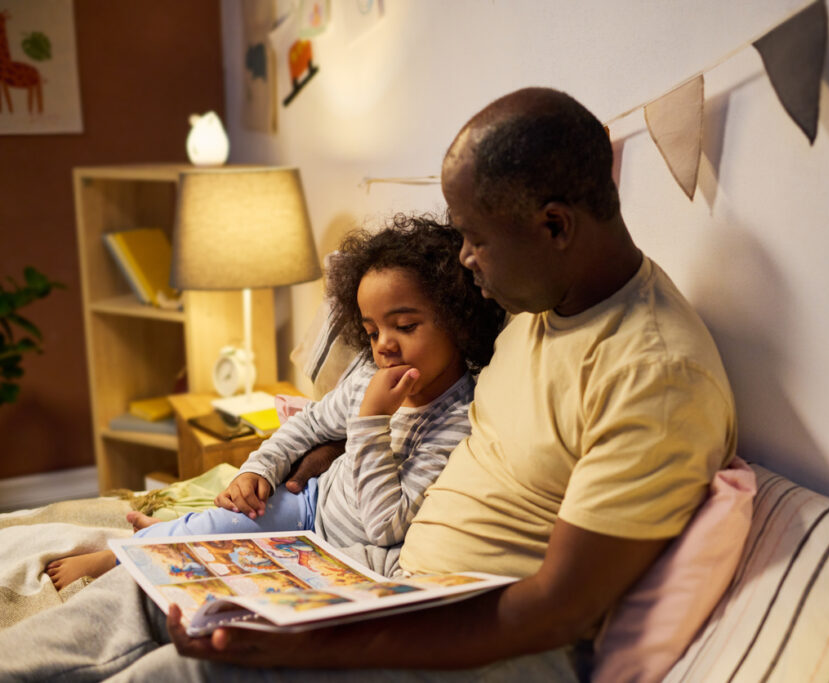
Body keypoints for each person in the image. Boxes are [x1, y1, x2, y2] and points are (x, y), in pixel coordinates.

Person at [0, 88, 737, 681]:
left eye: (475, 238)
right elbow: (389, 412)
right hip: (367, 578)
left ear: (554, 226)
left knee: (188, 669)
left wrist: (307, 644)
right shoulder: (537, 306)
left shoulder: (654, 375)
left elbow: (555, 615)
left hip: (483, 638)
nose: (467, 262)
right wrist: (322, 459)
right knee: (152, 588)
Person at [43, 213, 506, 590]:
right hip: (311, 504)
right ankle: (121, 553)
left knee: (218, 563)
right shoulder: (369, 372)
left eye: (405, 326)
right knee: (222, 521)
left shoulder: (457, 422)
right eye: (371, 331)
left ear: (457, 321)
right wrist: (257, 470)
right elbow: (307, 427)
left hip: (354, 548)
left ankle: (162, 541)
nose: (384, 344)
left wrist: (370, 421)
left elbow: (386, 525)